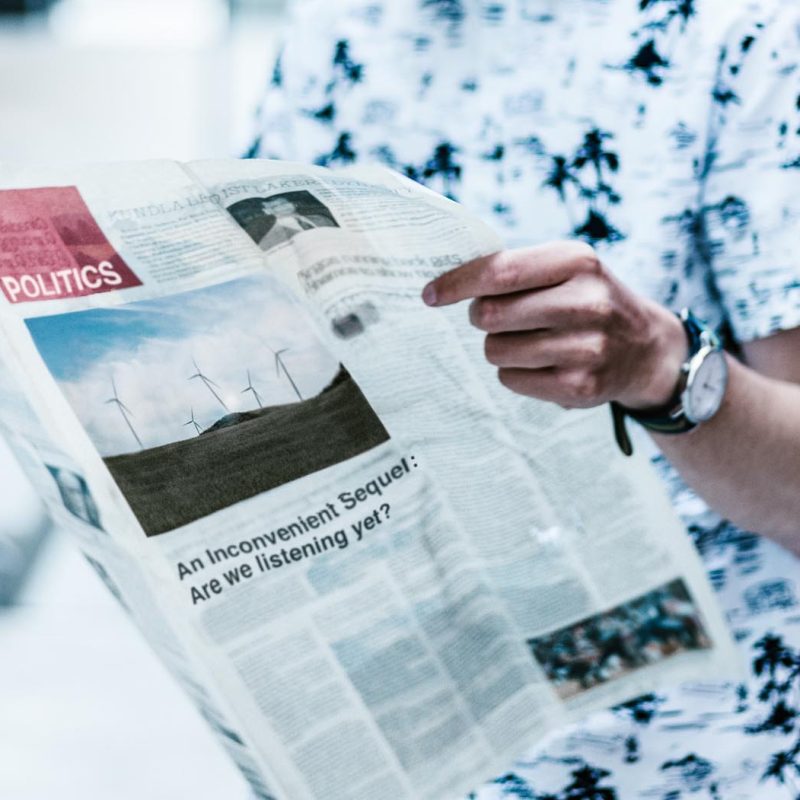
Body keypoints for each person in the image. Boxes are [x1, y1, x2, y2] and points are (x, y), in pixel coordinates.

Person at [248, 0, 800, 795]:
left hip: (696, 756)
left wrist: (659, 367)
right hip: (415, 739)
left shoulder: (750, 35)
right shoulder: (332, 30)